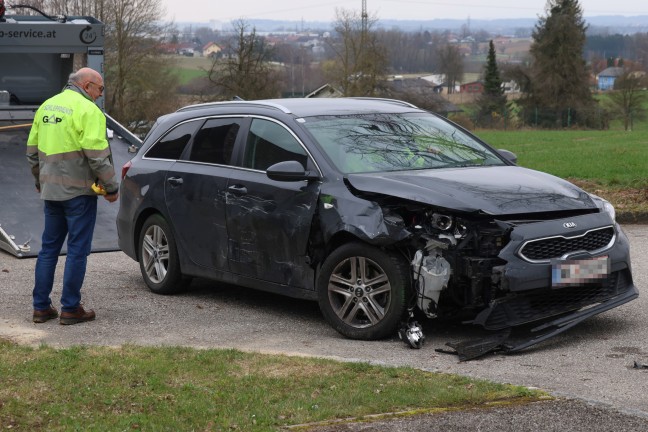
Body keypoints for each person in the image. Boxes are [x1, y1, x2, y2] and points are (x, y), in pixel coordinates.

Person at [27, 67, 119, 325]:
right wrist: (111, 188)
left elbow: (32, 152)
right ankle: (70, 308)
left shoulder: (46, 106)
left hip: (51, 193)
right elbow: (98, 156)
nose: (100, 95)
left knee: (48, 250)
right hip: (79, 194)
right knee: (77, 250)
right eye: (100, 89)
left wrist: (39, 180)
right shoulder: (89, 110)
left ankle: (41, 307)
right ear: (87, 85)